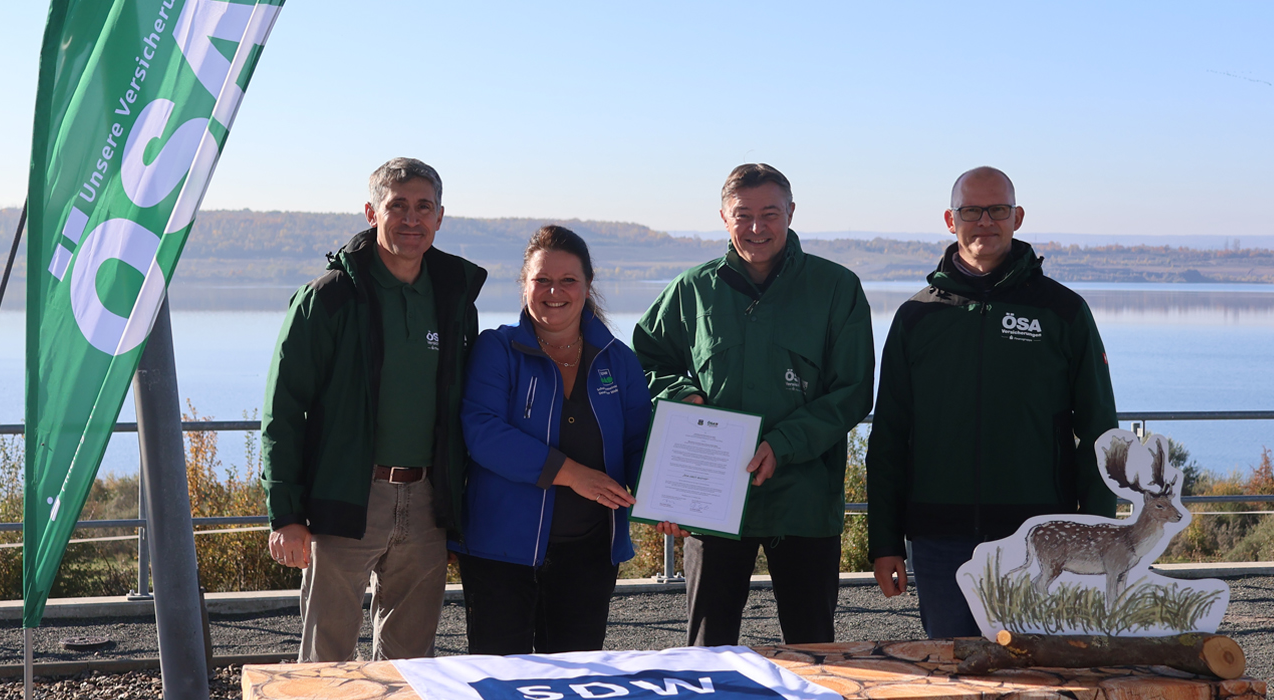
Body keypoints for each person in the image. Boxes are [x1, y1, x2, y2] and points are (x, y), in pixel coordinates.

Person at [866, 166, 1118, 638]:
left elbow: (1100, 430)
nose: (985, 221)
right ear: (950, 219)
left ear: (1017, 217)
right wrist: (884, 540)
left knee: (1038, 678)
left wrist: (1098, 535)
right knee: (953, 674)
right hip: (939, 540)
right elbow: (889, 437)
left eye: (997, 210)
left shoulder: (1063, 311)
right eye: (971, 211)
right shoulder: (917, 317)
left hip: (1038, 537)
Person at [634, 163, 875, 646]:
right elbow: (644, 359)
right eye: (743, 215)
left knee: (813, 649)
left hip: (802, 500)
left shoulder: (836, 289)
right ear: (724, 217)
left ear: (791, 212)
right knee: (708, 649)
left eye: (770, 213)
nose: (757, 227)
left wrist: (782, 444)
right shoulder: (692, 290)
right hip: (712, 499)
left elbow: (852, 391)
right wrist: (681, 394)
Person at [261, 157, 486, 661]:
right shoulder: (329, 298)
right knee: (327, 658)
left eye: (423, 207)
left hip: (427, 501)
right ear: (371, 212)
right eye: (398, 206)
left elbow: (462, 410)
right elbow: (283, 410)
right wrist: (287, 514)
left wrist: (455, 510)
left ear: (440, 217)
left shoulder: (454, 300)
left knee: (410, 663)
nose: (412, 219)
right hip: (345, 495)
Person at [452, 225, 653, 654]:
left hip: (590, 553)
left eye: (567, 281)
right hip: (499, 551)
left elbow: (641, 444)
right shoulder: (497, 350)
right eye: (541, 280)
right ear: (525, 284)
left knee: (575, 677)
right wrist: (571, 473)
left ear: (587, 285)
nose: (553, 291)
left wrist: (666, 501)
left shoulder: (619, 360)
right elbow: (482, 431)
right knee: (501, 680)